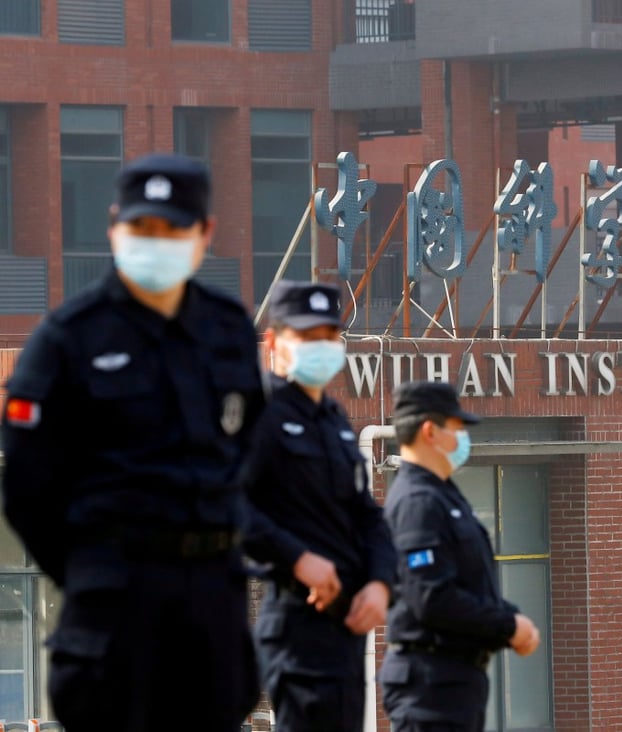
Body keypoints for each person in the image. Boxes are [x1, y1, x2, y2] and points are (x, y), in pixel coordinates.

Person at [0, 153, 263, 732]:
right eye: (142, 228)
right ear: (114, 225)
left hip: (211, 603)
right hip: (115, 605)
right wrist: (92, 567)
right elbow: (26, 485)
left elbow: (247, 451)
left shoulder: (228, 329)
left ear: (205, 234)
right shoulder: (69, 338)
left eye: (173, 229)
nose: (156, 243)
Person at [243, 280, 396, 732]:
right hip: (297, 624)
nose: (322, 346)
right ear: (273, 341)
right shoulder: (258, 412)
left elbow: (367, 516)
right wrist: (298, 559)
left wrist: (380, 583)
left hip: (346, 627)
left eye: (330, 336)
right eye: (307, 337)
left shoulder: (334, 421)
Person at [379, 380, 541, 732]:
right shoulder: (417, 502)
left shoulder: (443, 496)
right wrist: (508, 626)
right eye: (456, 429)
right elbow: (430, 596)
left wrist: (510, 619)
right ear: (429, 431)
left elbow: (470, 581)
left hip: (452, 680)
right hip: (431, 682)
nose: (463, 438)